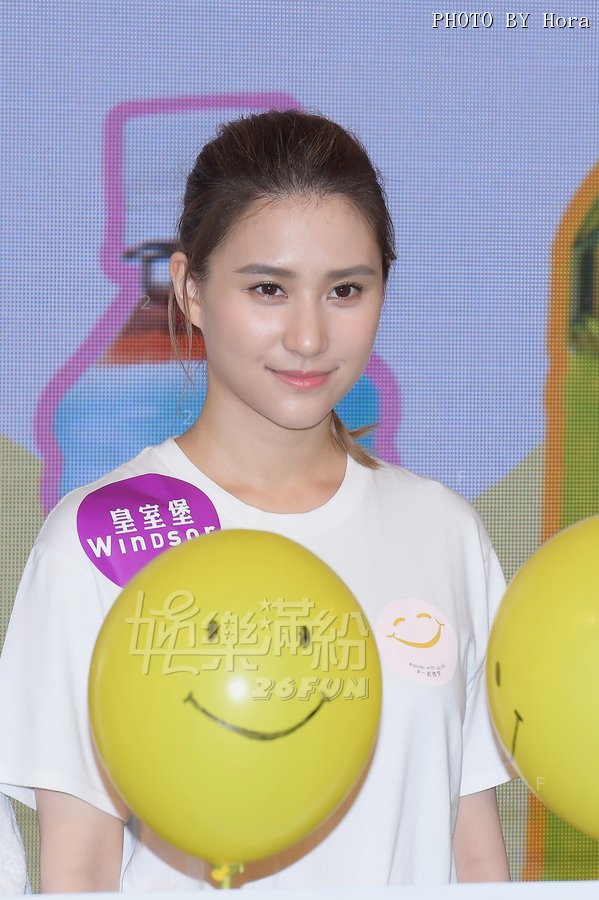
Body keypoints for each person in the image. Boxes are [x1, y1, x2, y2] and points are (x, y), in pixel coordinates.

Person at [0, 110, 511, 891]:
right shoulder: (101, 539)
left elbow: (473, 855)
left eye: (345, 289)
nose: (307, 337)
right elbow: (81, 869)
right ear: (190, 290)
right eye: (268, 288)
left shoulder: (443, 533)